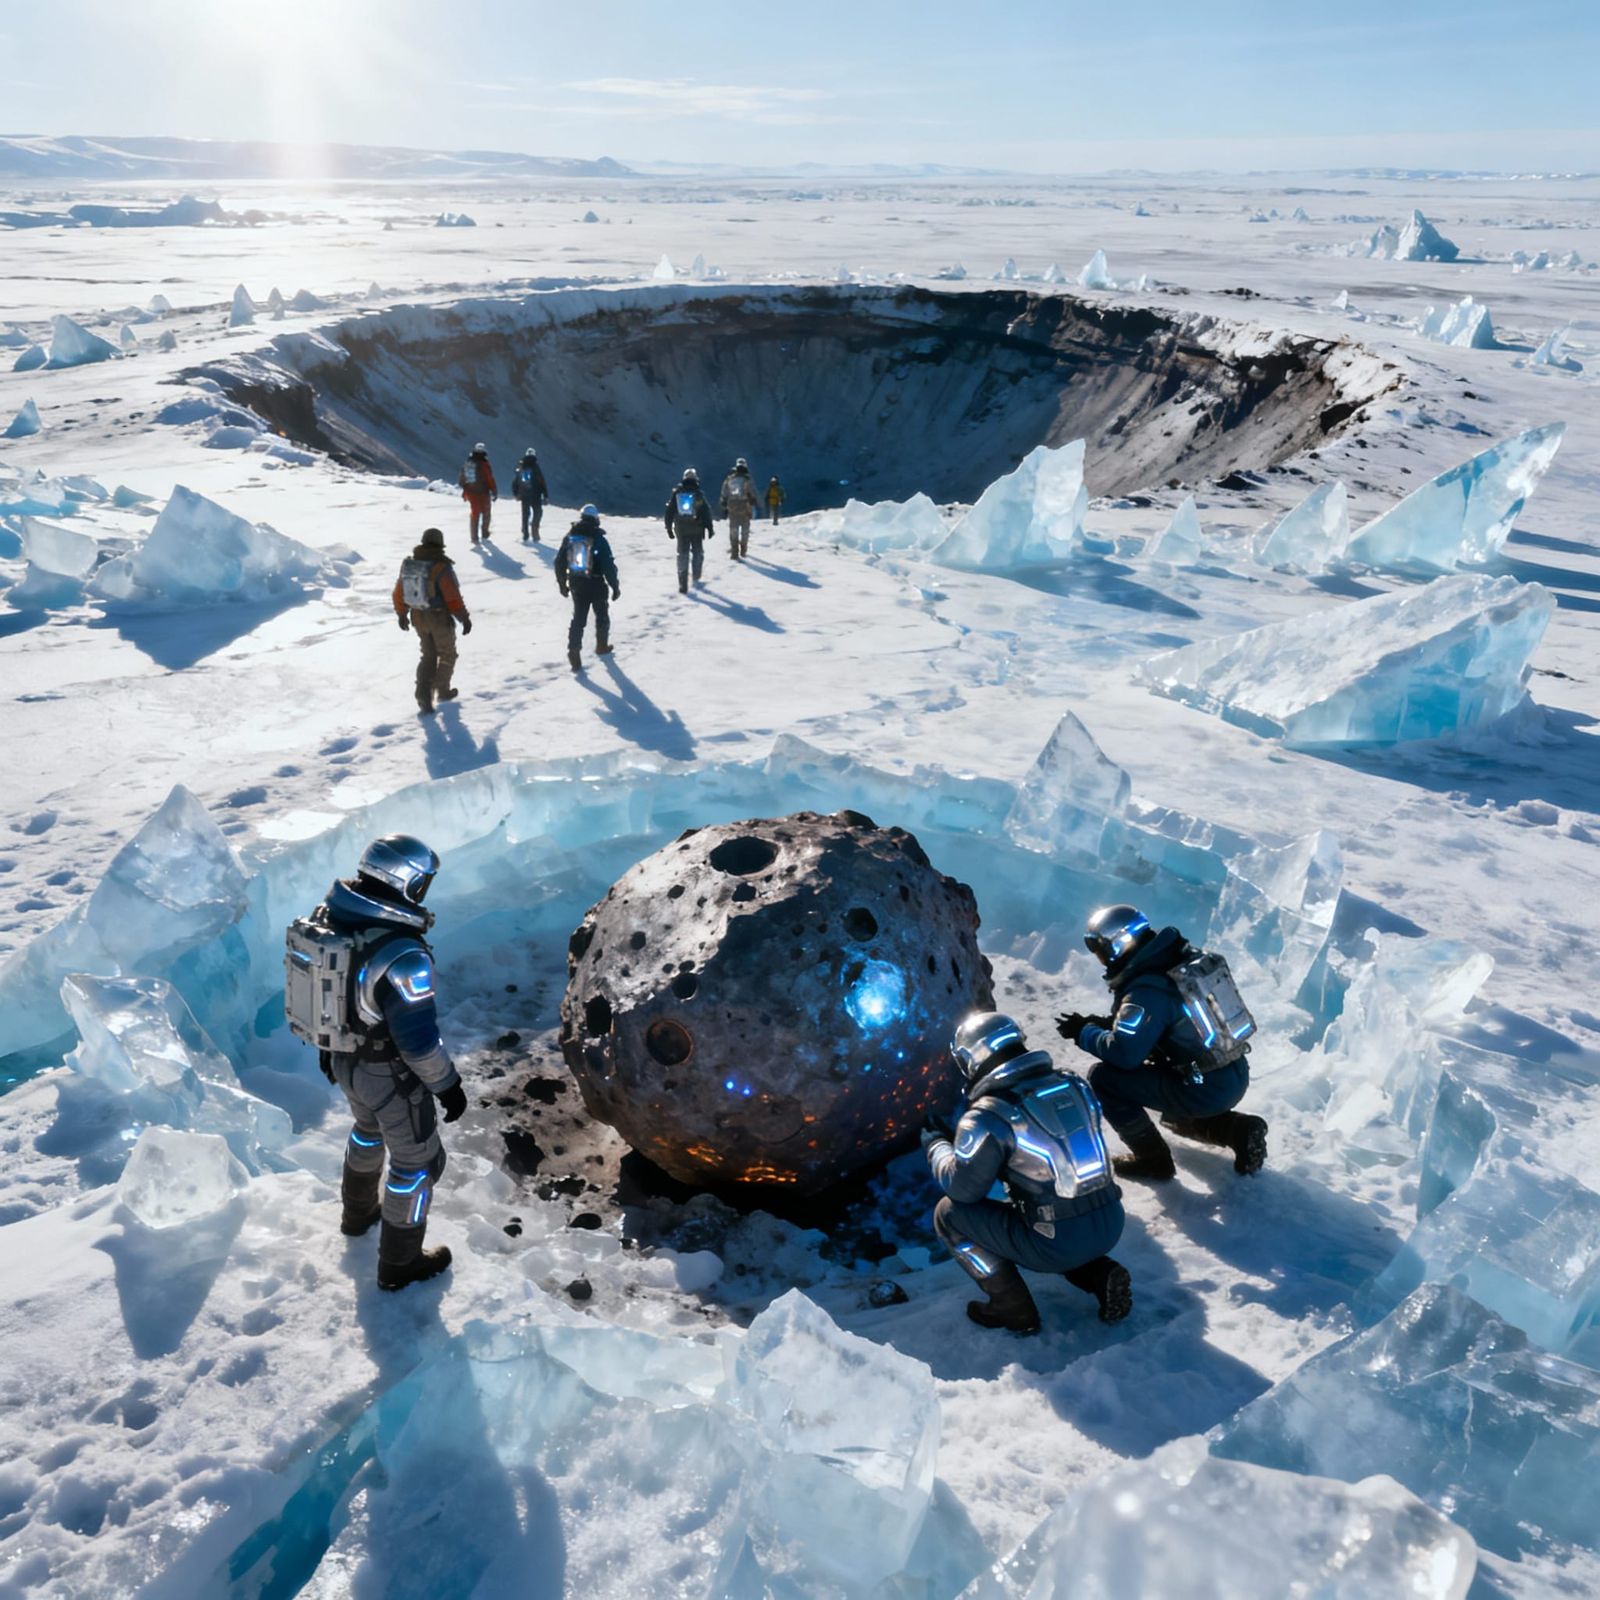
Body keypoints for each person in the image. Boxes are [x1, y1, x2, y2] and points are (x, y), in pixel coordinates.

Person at [286, 835, 467, 1291]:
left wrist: (330, 1051)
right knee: (417, 1164)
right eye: (421, 882)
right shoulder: (404, 955)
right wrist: (447, 1085)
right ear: (405, 882)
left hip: (344, 1060)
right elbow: (419, 1043)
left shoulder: (333, 920)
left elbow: (330, 996)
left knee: (367, 1132)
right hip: (390, 1074)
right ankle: (399, 1263)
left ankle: (358, 1215)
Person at [922, 1011, 1131, 1334]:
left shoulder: (988, 1116)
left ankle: (1012, 1311)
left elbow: (963, 1190)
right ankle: (1099, 1274)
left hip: (1057, 1241)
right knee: (1051, 1215)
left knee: (948, 1215)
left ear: (972, 1059)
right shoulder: (1073, 1084)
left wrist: (936, 1145)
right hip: (1112, 1221)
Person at [1056, 905, 1268, 1182]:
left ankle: (1153, 1161)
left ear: (1117, 945)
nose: (1101, 960)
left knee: (1104, 1078)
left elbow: (1124, 1054)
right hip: (1229, 1072)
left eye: (1101, 952)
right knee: (1172, 1115)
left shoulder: (1146, 990)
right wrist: (1103, 1024)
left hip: (1204, 1086)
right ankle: (1238, 1130)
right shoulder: (1174, 961)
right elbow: (1162, 1023)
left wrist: (1085, 1033)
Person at [393, 527, 472, 715]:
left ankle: (423, 694)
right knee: (447, 654)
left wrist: (402, 614)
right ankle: (442, 690)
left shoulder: (410, 564)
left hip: (418, 616)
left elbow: (399, 592)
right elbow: (452, 597)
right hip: (438, 617)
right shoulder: (441, 567)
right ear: (440, 544)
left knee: (428, 656)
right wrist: (464, 618)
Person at [555, 504, 620, 672]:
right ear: (596, 519)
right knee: (602, 616)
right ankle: (601, 646)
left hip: (577, 583)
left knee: (578, 618)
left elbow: (559, 561)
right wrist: (615, 586)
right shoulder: (599, 539)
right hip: (597, 584)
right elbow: (608, 565)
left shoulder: (570, 536)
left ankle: (574, 650)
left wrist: (562, 583)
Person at [663, 467, 714, 594]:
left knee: (682, 555)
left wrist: (669, 528)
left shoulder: (677, 493)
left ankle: (682, 583)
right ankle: (696, 578)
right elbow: (706, 512)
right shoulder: (698, 494)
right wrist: (710, 528)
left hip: (681, 530)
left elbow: (669, 511)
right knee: (697, 553)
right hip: (697, 529)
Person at [719, 457, 758, 560]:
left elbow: (724, 492)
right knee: (745, 529)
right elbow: (752, 492)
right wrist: (753, 501)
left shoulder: (730, 478)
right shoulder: (747, 479)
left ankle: (734, 551)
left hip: (732, 506)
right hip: (745, 506)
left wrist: (724, 502)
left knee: (733, 529)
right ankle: (743, 550)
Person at [458, 442, 498, 543]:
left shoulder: (468, 463)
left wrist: (466, 490)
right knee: (486, 513)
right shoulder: (484, 464)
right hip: (483, 492)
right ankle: (484, 533)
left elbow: (462, 479)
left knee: (474, 513)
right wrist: (494, 490)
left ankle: (474, 537)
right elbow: (489, 478)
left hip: (471, 493)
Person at [512, 446, 549, 543]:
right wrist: (545, 495)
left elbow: (515, 482)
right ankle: (534, 531)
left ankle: (525, 533)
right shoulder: (535, 467)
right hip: (535, 495)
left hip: (524, 494)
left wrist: (516, 493)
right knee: (538, 512)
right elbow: (542, 482)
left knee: (525, 514)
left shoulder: (521, 467)